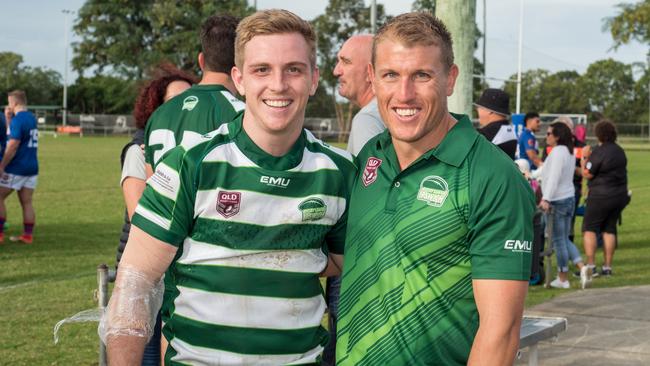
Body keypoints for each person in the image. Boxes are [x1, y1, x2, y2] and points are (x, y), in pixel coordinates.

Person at [101, 9, 355, 365]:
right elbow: (135, 283)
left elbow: (347, 264)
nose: (278, 84)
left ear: (313, 79)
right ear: (239, 79)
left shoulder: (340, 172)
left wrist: (283, 255)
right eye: (261, 69)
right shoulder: (188, 163)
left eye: (293, 69)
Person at [336, 12, 534, 365]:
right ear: (373, 79)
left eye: (422, 75)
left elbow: (501, 332)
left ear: (450, 79)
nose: (404, 94)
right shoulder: (370, 156)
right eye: (390, 75)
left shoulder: (491, 175)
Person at [117, 64, 195, 366]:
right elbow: (139, 213)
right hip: (146, 270)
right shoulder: (139, 150)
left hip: (181, 271)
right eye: (174, 102)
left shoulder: (201, 152)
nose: (184, 109)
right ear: (156, 107)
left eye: (191, 100)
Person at [325, 33, 386, 365]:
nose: (336, 70)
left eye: (345, 61)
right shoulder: (380, 114)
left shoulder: (368, 119)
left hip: (357, 266)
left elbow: (370, 197)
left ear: (370, 72)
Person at [144, 14, 245, 176]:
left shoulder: (159, 114)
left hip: (164, 201)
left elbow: (150, 188)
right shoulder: (244, 114)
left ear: (201, 61)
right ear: (240, 63)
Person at [536, 122, 590, 289]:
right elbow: (546, 171)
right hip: (568, 198)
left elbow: (553, 178)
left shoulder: (558, 152)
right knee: (564, 238)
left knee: (558, 241)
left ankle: (562, 277)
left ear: (557, 136)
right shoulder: (568, 151)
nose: (547, 136)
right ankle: (582, 267)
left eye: (549, 133)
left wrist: (546, 198)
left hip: (557, 201)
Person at [581, 120, 628, 277]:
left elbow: (588, 173)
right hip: (619, 195)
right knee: (609, 229)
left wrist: (584, 158)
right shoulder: (620, 151)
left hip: (601, 195)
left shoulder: (599, 152)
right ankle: (607, 267)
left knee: (589, 228)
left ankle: (591, 265)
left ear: (599, 134)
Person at [0, 90, 38, 244]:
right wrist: (9, 119)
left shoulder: (18, 120)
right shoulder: (31, 118)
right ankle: (27, 236)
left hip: (17, 167)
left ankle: (0, 235)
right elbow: (15, 134)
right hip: (32, 167)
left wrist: (2, 165)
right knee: (26, 202)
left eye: (9, 102)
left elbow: (13, 144)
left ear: (14, 103)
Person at [543, 116, 586, 243]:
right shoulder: (550, 147)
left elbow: (585, 170)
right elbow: (545, 165)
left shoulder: (581, 147)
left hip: (572, 186)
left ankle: (566, 248)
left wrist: (569, 167)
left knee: (568, 224)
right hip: (555, 190)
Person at [475, 88, 518, 159]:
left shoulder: (487, 133)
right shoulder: (509, 129)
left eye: (479, 107)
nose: (477, 109)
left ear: (489, 110)